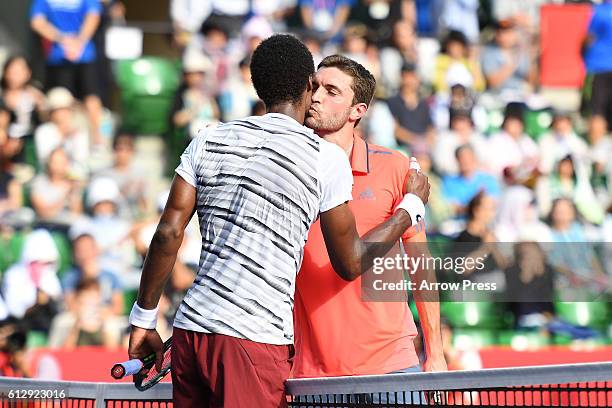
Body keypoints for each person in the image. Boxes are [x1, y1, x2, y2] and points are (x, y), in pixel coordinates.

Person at [127, 35, 430, 408]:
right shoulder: (323, 159)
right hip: (254, 341)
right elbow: (351, 261)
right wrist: (411, 206)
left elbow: (168, 234)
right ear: (306, 85)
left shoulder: (208, 139)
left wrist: (143, 318)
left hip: (190, 333)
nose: (317, 96)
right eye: (316, 86)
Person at [293, 55, 446, 384]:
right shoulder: (286, 168)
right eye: (314, 87)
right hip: (313, 373)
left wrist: (435, 354)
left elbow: (421, 265)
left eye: (332, 91)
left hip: (393, 365)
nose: (317, 97)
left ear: (357, 110)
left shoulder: (395, 166)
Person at [30, 0, 105, 146]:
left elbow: (94, 16)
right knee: (62, 101)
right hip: (63, 57)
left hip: (78, 55)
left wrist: (70, 42)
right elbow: (36, 22)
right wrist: (74, 42)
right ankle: (62, 144)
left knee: (90, 99)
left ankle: (97, 141)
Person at [387, 62, 435, 150]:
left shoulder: (423, 103)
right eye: (408, 76)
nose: (411, 80)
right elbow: (395, 129)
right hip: (402, 148)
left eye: (413, 76)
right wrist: (416, 141)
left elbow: (431, 127)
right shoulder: (393, 101)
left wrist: (427, 142)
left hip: (424, 148)